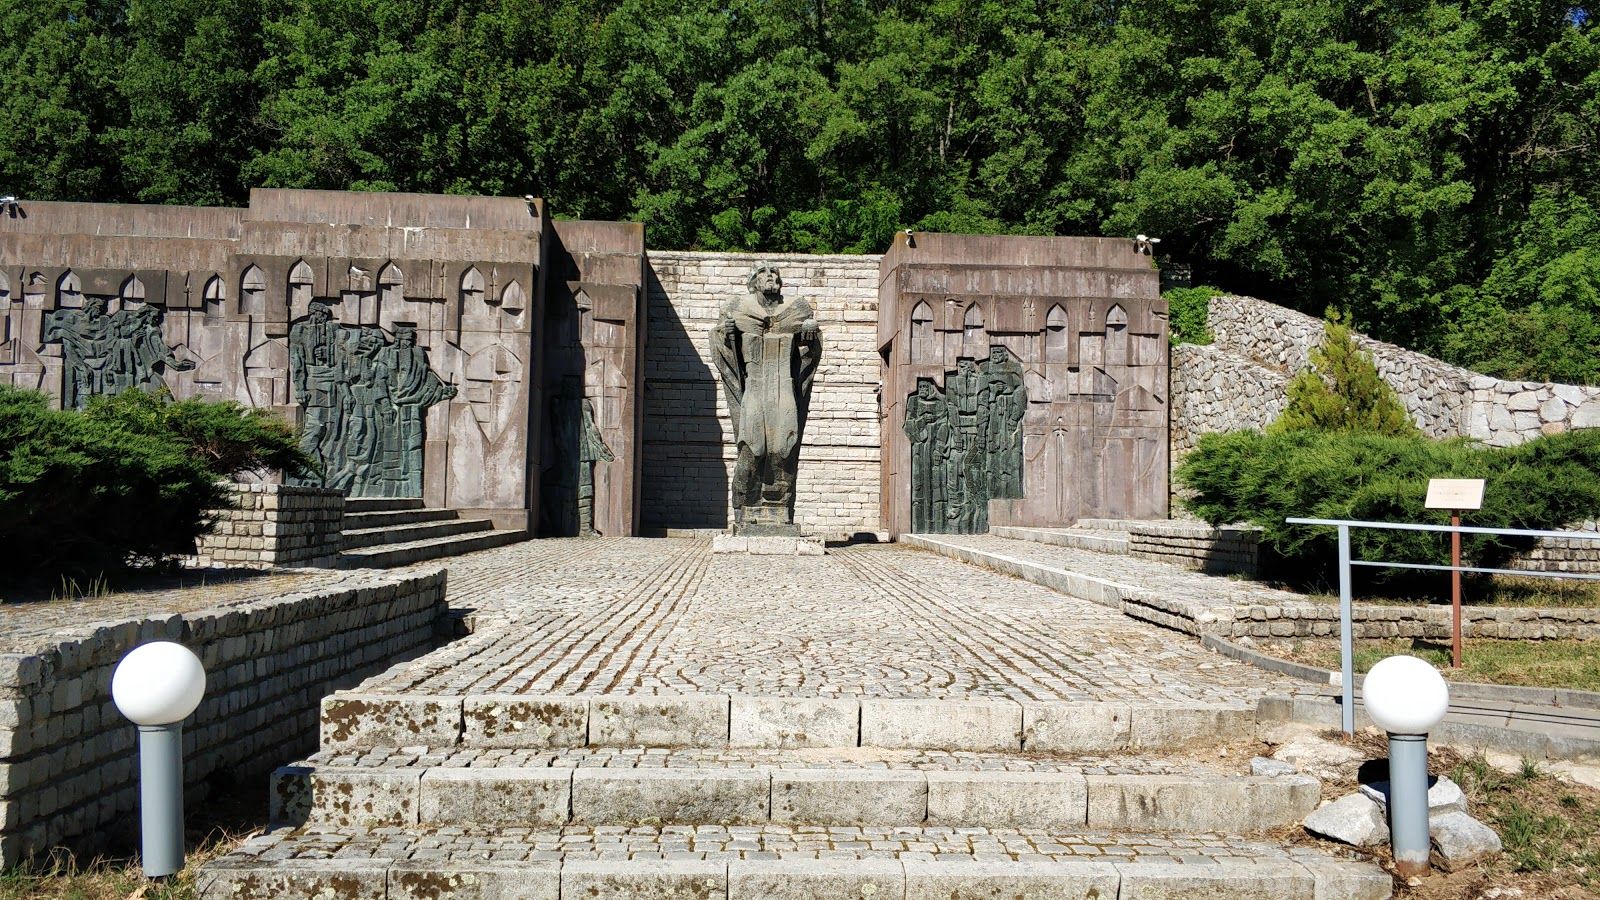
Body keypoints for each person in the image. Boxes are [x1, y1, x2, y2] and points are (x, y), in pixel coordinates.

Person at [709, 265, 822, 529]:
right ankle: (745, 508)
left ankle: (779, 509)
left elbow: (808, 353)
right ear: (754, 282)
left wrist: (810, 335)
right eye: (763, 273)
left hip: (784, 385)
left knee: (784, 446)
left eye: (774, 273)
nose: (771, 275)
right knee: (752, 447)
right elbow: (723, 349)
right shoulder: (739, 309)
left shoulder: (797, 309)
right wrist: (726, 335)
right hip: (755, 387)